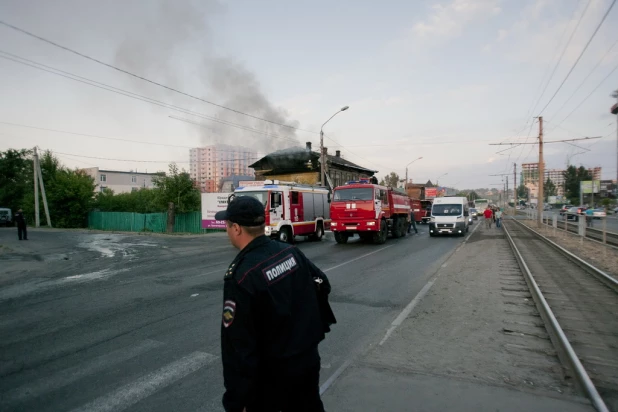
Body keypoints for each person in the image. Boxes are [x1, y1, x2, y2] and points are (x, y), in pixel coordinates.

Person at [215, 196, 335, 412]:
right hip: (307, 360)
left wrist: (236, 399)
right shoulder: (289, 251)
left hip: (272, 377)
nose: (227, 231)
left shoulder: (241, 276)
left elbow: (239, 346)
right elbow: (321, 283)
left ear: (237, 229)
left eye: (227, 225)